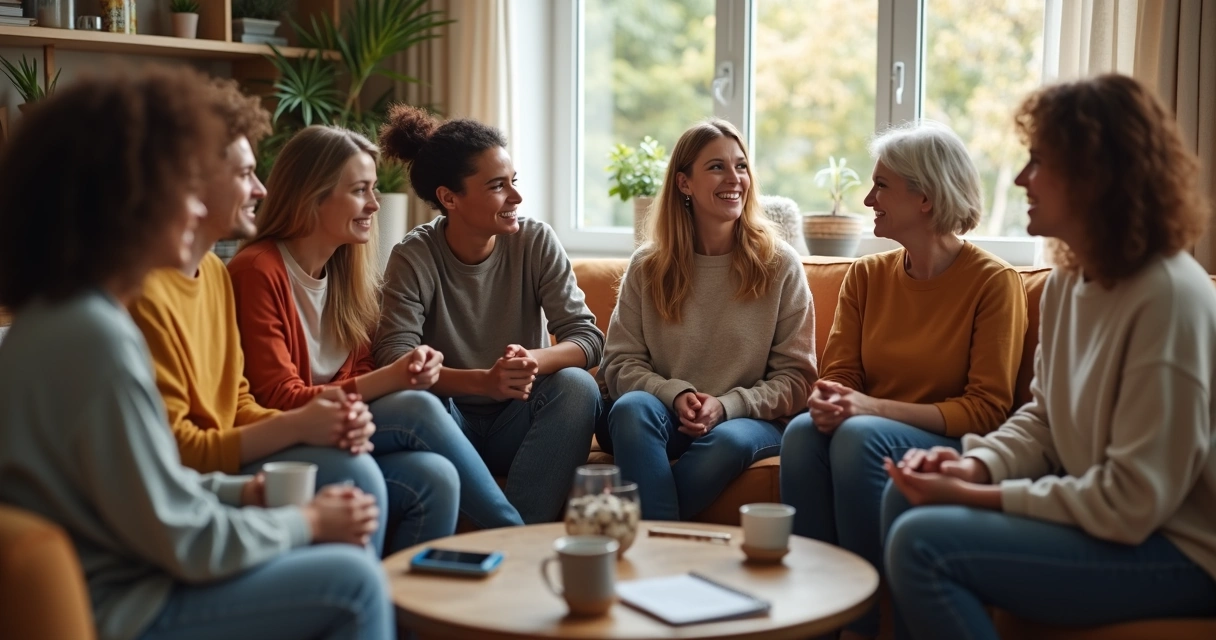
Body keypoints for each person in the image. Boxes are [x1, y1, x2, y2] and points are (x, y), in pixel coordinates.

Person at [0, 67, 391, 640]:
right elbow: (184, 539)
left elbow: (149, 487)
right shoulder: (94, 339)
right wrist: (303, 521)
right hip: (124, 604)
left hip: (140, 569)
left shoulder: (65, 317)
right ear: (124, 202)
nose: (195, 208)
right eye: (182, 188)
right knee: (352, 583)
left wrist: (247, 491)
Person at [881, 74, 1216, 640]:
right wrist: (975, 463)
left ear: (1096, 174)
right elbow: (1043, 418)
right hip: (1114, 526)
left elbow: (1133, 503)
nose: (1020, 179)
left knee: (923, 544)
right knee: (900, 497)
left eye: (1039, 162)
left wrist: (977, 495)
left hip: (1177, 549)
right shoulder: (1069, 282)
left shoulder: (1168, 296)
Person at [128, 80, 456, 557]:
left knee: (436, 476)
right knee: (390, 438)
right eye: (244, 174)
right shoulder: (232, 274)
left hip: (258, 440)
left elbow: (237, 400)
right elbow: (197, 440)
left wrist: (327, 421)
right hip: (219, 468)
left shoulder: (217, 275)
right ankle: (509, 537)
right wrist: (307, 424)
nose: (259, 188)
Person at [777, 121, 1026, 638]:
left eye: (881, 186)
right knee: (802, 434)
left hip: (947, 437)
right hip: (864, 426)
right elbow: (841, 374)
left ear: (926, 198)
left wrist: (869, 410)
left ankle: (865, 623)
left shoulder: (994, 283)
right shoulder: (867, 275)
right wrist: (829, 400)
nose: (868, 199)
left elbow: (987, 409)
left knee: (858, 437)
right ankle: (811, 620)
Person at [229, 125, 521, 538]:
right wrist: (397, 376)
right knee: (416, 406)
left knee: (435, 475)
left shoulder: (344, 275)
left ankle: (413, 601)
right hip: (282, 436)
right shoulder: (258, 271)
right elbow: (279, 399)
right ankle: (517, 537)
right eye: (360, 190)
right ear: (313, 196)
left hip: (339, 428)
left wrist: (402, 374)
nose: (374, 204)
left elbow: (359, 369)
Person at [376, 105, 604, 524]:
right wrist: (482, 381)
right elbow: (394, 358)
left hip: (520, 424)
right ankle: (511, 534)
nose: (516, 197)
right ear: (449, 198)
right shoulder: (414, 256)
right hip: (447, 426)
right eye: (498, 186)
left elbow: (588, 340)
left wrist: (534, 360)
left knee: (577, 387)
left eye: (513, 182)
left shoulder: (535, 241)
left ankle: (518, 534)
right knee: (418, 399)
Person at [597, 119, 817, 521]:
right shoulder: (647, 266)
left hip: (747, 420)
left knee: (728, 441)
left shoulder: (780, 264)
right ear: (684, 183)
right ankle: (667, 549)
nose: (734, 178)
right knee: (630, 410)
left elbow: (798, 379)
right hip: (666, 414)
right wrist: (676, 395)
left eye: (741, 166)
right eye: (716, 167)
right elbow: (619, 364)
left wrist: (727, 405)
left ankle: (653, 545)